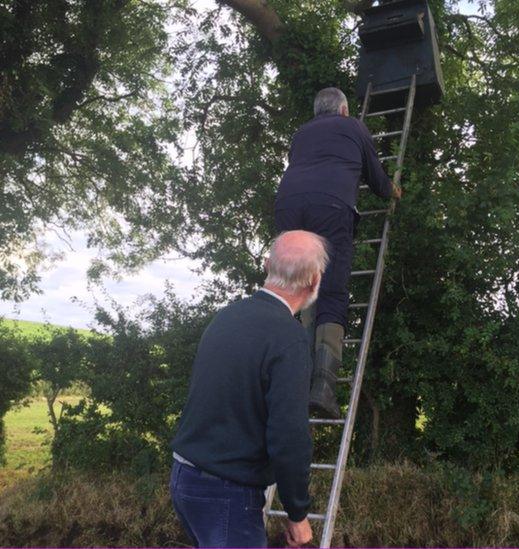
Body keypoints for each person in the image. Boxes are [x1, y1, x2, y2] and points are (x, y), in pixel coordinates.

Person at [170, 230, 329, 548]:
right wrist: (298, 515)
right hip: (226, 491)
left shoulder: (227, 317)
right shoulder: (289, 337)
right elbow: (289, 435)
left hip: (185, 477)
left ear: (268, 265)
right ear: (314, 280)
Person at [275, 87, 401, 419]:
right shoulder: (355, 127)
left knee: (297, 293)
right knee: (330, 291)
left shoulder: (301, 134)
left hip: (288, 205)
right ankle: (323, 388)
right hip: (329, 206)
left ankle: (291, 380)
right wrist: (393, 190)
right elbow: (376, 179)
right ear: (344, 110)